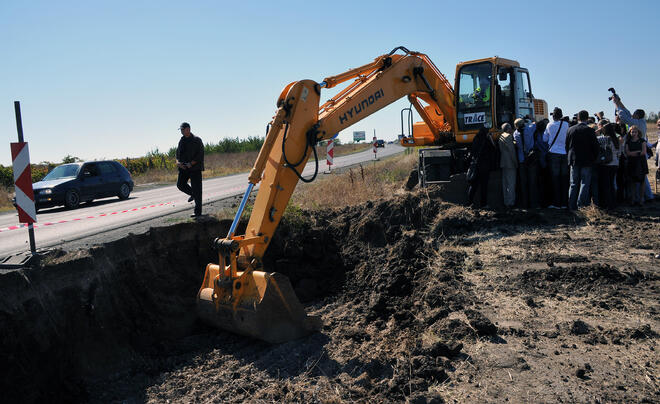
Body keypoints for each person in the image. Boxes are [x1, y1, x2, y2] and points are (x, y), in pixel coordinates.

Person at [612, 94, 653, 201]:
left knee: (639, 177)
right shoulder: (640, 121)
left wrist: (616, 104)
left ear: (637, 115)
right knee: (642, 177)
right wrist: (619, 101)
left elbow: (624, 116)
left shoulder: (637, 123)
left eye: (634, 113)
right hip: (637, 153)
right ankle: (647, 196)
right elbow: (627, 111)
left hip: (636, 153)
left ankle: (643, 197)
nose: (632, 114)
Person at [566, 110, 600, 210]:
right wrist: (593, 158)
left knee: (573, 183)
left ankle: (571, 205)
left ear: (578, 118)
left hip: (574, 159)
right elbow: (595, 147)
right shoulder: (589, 130)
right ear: (587, 118)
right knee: (585, 183)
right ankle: (581, 204)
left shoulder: (570, 129)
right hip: (587, 160)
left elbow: (567, 145)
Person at [176, 122, 205, 217]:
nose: (181, 131)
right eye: (181, 129)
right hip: (184, 168)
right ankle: (193, 194)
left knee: (197, 189)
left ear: (188, 129)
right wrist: (178, 163)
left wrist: (191, 163)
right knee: (180, 185)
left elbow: (200, 155)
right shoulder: (181, 141)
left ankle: (198, 213)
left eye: (182, 129)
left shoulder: (197, 140)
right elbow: (177, 154)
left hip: (195, 168)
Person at [544, 107, 569, 209]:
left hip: (553, 153)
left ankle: (556, 203)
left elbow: (544, 139)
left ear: (553, 116)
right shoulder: (566, 125)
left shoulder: (549, 125)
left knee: (555, 179)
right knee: (564, 178)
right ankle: (564, 203)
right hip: (564, 153)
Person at [467, 127, 497, 208]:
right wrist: (490, 138)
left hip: (476, 166)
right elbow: (493, 148)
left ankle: (469, 203)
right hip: (484, 166)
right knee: (484, 186)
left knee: (473, 186)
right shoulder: (486, 141)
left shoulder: (476, 139)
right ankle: (483, 204)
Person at [513, 118, 538, 208]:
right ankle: (533, 203)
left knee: (523, 183)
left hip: (522, 160)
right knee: (532, 182)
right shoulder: (529, 128)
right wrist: (530, 118)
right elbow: (535, 123)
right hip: (530, 158)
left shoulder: (515, 133)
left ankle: (525, 203)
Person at [596, 123, 619, 209]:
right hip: (615, 163)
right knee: (612, 184)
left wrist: (598, 131)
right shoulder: (615, 139)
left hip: (607, 164)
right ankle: (613, 202)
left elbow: (594, 138)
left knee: (606, 185)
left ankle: (607, 203)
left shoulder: (604, 138)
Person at [624, 125, 648, 206]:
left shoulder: (642, 141)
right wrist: (637, 152)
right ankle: (633, 199)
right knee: (632, 182)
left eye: (635, 132)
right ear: (630, 133)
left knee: (642, 181)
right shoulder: (628, 142)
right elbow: (628, 153)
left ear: (638, 132)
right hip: (631, 163)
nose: (633, 133)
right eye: (632, 132)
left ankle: (641, 199)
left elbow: (643, 152)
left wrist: (634, 153)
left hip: (641, 163)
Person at [499, 123, 517, 208]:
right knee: (511, 183)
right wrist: (515, 162)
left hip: (503, 162)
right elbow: (512, 152)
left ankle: (506, 201)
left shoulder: (501, 136)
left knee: (505, 184)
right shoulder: (509, 137)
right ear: (508, 129)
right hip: (510, 163)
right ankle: (511, 202)